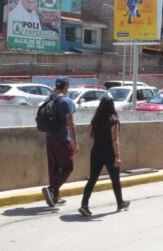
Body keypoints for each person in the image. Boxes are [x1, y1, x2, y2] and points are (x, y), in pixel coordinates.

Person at [78, 97, 130, 216]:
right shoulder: (113, 120)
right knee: (115, 179)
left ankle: (84, 204)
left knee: (92, 179)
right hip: (109, 152)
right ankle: (120, 202)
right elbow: (115, 139)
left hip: (96, 151)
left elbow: (90, 134)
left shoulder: (95, 120)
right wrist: (117, 156)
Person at [42, 77, 79, 207]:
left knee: (54, 168)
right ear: (66, 86)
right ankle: (52, 189)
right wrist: (75, 142)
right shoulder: (66, 101)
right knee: (68, 167)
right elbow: (71, 123)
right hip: (62, 139)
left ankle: (55, 197)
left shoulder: (50, 99)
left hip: (49, 138)